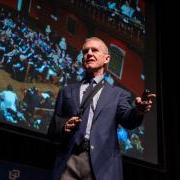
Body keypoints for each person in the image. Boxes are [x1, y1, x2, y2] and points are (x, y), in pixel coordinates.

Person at [48, 37, 156, 180]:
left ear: (106, 59)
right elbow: (53, 128)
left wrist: (139, 110)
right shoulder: (67, 91)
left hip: (102, 166)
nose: (89, 54)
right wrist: (64, 126)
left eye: (94, 50)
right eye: (86, 51)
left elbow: (129, 121)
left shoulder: (118, 94)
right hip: (69, 160)